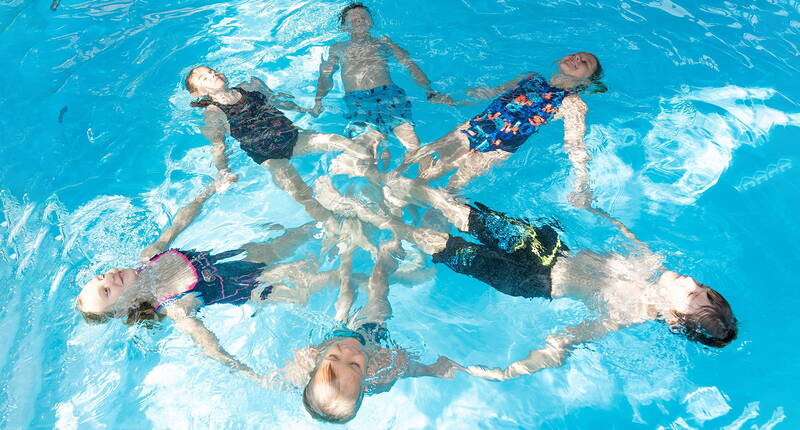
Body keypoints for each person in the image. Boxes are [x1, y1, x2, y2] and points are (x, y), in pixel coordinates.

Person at [312, 176, 738, 382]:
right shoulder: (652, 264)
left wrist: (508, 371)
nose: (690, 280)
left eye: (692, 294)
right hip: (547, 247)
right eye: (700, 287)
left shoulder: (631, 312)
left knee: (438, 243)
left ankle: (357, 209)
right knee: (464, 213)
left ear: (674, 317)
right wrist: (591, 207)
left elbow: (570, 340)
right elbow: (625, 234)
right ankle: (399, 185)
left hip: (530, 280)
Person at [75, 178, 349, 384]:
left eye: (101, 277)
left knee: (302, 234)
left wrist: (209, 191)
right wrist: (253, 376)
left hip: (240, 259)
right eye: (107, 290)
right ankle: (366, 271)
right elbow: (209, 345)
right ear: (123, 308)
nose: (109, 276)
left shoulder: (148, 258)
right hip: (253, 288)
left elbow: (178, 224)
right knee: (319, 276)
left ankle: (344, 220)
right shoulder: (174, 307)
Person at [185, 65, 377, 239]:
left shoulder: (250, 86)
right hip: (268, 154)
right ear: (199, 93)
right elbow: (218, 145)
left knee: (335, 140)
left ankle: (371, 166)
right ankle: (331, 224)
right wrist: (223, 170)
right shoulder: (213, 113)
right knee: (299, 191)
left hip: (291, 137)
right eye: (204, 78)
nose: (212, 74)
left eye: (211, 71)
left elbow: (276, 101)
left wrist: (304, 109)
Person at [402, 51, 607, 205]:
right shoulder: (530, 77)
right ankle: (402, 200)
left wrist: (582, 182)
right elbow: (490, 93)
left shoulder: (572, 103)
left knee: (450, 190)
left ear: (587, 80)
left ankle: (428, 217)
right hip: (469, 129)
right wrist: (451, 100)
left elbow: (574, 143)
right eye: (576, 55)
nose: (577, 59)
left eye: (585, 62)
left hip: (496, 149)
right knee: (421, 168)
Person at [294, 240, 461, 423]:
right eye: (355, 365)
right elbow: (407, 370)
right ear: (365, 379)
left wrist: (268, 377)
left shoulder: (312, 360)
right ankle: (386, 260)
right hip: (371, 333)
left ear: (317, 366)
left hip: (337, 334)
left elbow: (289, 377)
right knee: (378, 298)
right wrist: (432, 370)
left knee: (344, 299)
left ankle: (346, 255)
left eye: (333, 358)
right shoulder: (378, 372)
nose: (348, 352)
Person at [310, 2, 456, 164]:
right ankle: (379, 173)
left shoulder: (383, 42)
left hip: (388, 94)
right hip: (357, 101)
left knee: (412, 143)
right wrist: (318, 100)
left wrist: (429, 89)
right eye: (353, 17)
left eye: (364, 16)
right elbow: (325, 76)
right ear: (343, 28)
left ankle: (422, 174)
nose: (359, 18)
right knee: (363, 150)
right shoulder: (337, 47)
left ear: (371, 22)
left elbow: (408, 63)